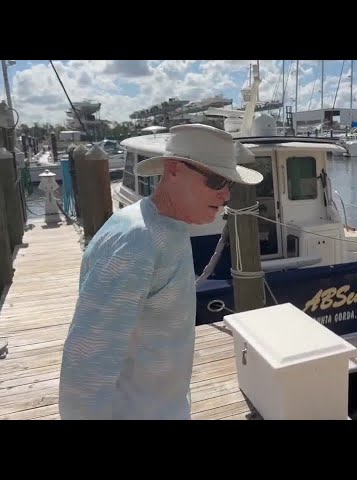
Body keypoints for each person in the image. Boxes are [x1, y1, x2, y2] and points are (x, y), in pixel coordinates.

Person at [58, 124, 263, 420]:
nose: (226, 195)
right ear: (174, 169)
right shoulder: (136, 240)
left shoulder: (166, 227)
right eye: (217, 180)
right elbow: (87, 361)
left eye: (230, 183)